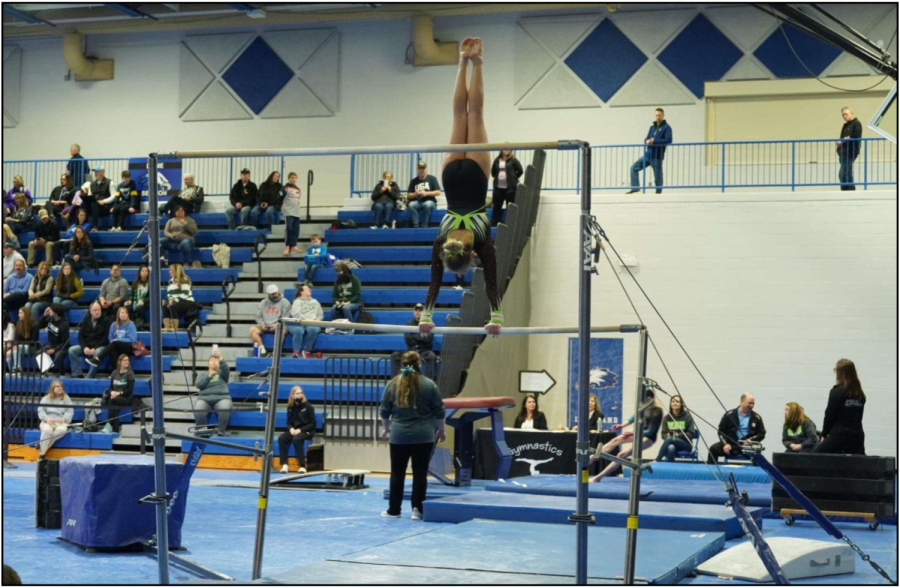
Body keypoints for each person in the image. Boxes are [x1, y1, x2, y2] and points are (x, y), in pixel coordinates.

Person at [419, 39, 502, 338]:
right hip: (451, 178)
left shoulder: (483, 243)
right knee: (459, 117)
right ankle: (461, 61)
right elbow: (434, 284)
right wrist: (425, 316)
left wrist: (497, 318)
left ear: (471, 255)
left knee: (474, 115)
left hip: (478, 176)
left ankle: (476, 61)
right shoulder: (440, 242)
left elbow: (492, 285)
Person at [380, 351, 446, 520]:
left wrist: (386, 429)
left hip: (399, 435)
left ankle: (394, 510)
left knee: (397, 473)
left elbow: (384, 411)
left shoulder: (393, 384)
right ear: (420, 363)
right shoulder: (429, 385)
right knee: (420, 473)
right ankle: (417, 509)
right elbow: (439, 411)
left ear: (402, 364)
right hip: (423, 435)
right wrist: (442, 431)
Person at [590, 389, 663, 482]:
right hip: (639, 433)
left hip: (648, 438)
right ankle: (592, 457)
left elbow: (650, 432)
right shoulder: (644, 406)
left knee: (621, 454)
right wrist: (622, 425)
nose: (641, 402)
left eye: (643, 400)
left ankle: (598, 477)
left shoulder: (657, 412)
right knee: (615, 440)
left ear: (649, 398)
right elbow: (634, 417)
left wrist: (633, 432)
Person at [815, 359, 866, 455]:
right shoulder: (860, 393)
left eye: (836, 370)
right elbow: (859, 417)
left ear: (840, 373)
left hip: (840, 434)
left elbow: (829, 415)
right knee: (857, 464)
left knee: (813, 457)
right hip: (857, 435)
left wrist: (824, 434)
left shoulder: (837, 391)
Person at [707, 393, 767, 464]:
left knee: (757, 454)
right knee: (713, 449)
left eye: (753, 403)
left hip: (747, 446)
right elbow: (721, 431)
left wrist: (751, 440)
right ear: (742, 402)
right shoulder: (729, 415)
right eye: (749, 403)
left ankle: (757, 474)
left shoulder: (757, 417)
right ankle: (712, 472)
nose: (752, 405)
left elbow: (762, 433)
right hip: (730, 444)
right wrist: (725, 444)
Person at [626, 108, 672, 195]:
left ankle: (658, 193)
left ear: (663, 116)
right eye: (656, 115)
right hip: (648, 154)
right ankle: (636, 189)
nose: (657, 117)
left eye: (659, 115)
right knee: (633, 168)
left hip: (657, 156)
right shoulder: (652, 127)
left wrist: (654, 141)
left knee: (658, 176)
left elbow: (669, 140)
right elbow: (646, 138)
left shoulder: (666, 127)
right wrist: (647, 141)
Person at [194, 348, 233, 437]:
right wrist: (209, 376)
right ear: (208, 364)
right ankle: (202, 431)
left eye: (216, 360)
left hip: (222, 398)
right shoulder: (203, 374)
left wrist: (220, 357)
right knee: (198, 409)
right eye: (212, 360)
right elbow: (198, 385)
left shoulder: (223, 374)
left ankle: (221, 431)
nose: (214, 362)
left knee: (224, 408)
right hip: (204, 399)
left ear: (219, 364)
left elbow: (226, 368)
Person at [390, 303, 436, 378]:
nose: (418, 312)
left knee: (431, 356)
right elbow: (408, 340)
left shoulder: (429, 324)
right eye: (416, 310)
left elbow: (428, 339)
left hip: (424, 351)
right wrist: (421, 336)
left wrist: (414, 335)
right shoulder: (408, 324)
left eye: (420, 310)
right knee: (395, 356)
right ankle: (396, 381)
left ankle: (429, 381)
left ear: (424, 312)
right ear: (413, 312)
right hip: (410, 351)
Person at [278, 386, 316, 473]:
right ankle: (284, 465)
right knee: (282, 438)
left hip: (307, 431)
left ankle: (302, 466)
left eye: (301, 393)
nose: (300, 395)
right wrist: (291, 428)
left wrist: (300, 430)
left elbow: (313, 424)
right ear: (292, 395)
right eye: (297, 393)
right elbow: (289, 422)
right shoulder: (290, 407)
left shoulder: (308, 406)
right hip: (295, 430)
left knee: (296, 439)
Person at [68, 301, 110, 379]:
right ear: (90, 311)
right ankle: (77, 374)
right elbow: (80, 336)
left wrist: (95, 348)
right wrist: (84, 347)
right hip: (87, 346)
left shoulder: (106, 321)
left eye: (99, 310)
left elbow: (106, 338)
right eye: (95, 310)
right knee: (72, 350)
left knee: (98, 352)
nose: (97, 312)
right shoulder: (85, 321)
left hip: (100, 346)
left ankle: (90, 377)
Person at [87, 306, 136, 370]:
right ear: (118, 315)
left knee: (114, 343)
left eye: (126, 313)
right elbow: (110, 338)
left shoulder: (131, 324)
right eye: (122, 313)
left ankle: (97, 359)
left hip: (128, 347)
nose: (124, 314)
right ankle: (117, 373)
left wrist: (118, 340)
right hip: (116, 346)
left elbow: (132, 340)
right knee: (113, 351)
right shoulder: (113, 325)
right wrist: (115, 342)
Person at [250, 284, 292, 357]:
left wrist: (277, 325)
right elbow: (258, 316)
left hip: (278, 325)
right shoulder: (263, 302)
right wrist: (262, 324)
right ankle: (262, 350)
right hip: (265, 325)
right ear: (268, 294)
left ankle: (275, 352)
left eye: (274, 293)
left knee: (282, 330)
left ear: (278, 291)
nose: (273, 295)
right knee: (252, 330)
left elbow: (286, 318)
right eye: (271, 294)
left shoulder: (285, 303)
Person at [37, 380, 73, 458]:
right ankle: (42, 454)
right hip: (48, 421)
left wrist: (64, 419)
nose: (60, 388)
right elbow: (41, 410)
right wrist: (46, 418)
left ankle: (41, 449)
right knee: (47, 430)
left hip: (61, 422)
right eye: (57, 386)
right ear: (52, 388)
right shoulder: (46, 398)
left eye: (61, 386)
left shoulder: (66, 398)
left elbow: (70, 410)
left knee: (62, 430)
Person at [101, 354, 135, 433]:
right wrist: (112, 392)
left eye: (127, 360)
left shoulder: (130, 374)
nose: (127, 362)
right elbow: (110, 388)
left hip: (127, 398)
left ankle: (108, 424)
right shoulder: (114, 373)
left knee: (112, 401)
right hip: (115, 398)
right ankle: (115, 429)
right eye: (124, 360)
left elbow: (130, 391)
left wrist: (118, 393)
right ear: (119, 362)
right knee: (115, 406)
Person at [656, 394, 697, 462]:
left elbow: (691, 434)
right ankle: (670, 469)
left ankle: (658, 460)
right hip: (671, 443)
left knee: (670, 439)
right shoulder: (667, 418)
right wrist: (667, 435)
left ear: (681, 404)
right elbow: (663, 435)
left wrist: (678, 435)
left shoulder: (687, 417)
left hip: (685, 444)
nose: (675, 403)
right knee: (670, 448)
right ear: (670, 404)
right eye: (673, 401)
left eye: (677, 401)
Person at [288, 284, 323, 359]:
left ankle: (307, 351)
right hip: (299, 322)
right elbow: (295, 314)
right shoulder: (297, 301)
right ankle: (296, 352)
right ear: (301, 292)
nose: (309, 289)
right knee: (298, 330)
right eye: (307, 289)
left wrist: (318, 319)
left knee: (313, 329)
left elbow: (320, 314)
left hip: (312, 322)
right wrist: (305, 319)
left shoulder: (315, 302)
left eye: (309, 288)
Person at [490, 150, 524, 227]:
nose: (507, 150)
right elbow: (493, 172)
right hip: (498, 187)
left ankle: (510, 222)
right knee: (497, 205)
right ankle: (495, 222)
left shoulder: (513, 160)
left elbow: (520, 170)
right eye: (505, 149)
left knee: (510, 205)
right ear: (501, 150)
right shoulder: (497, 160)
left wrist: (514, 178)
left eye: (509, 149)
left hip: (510, 188)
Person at [163, 264, 201, 331]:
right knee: (165, 306)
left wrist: (174, 301)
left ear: (175, 271)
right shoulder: (170, 281)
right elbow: (169, 293)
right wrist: (170, 300)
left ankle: (174, 327)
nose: (169, 272)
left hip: (187, 301)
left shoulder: (185, 280)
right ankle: (167, 326)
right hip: (176, 301)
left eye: (171, 270)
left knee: (172, 307)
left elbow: (185, 294)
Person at [406, 161, 441, 228]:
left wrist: (426, 193)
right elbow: (408, 195)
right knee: (411, 205)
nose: (422, 170)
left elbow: (438, 192)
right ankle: (416, 225)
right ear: (417, 169)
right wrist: (415, 194)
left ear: (426, 169)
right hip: (417, 202)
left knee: (427, 204)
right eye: (420, 168)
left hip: (430, 201)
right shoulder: (413, 181)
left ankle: (424, 225)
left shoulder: (432, 179)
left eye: (423, 168)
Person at [38, 303, 71, 374]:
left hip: (62, 347)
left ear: (56, 312)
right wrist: (44, 315)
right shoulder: (51, 319)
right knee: (39, 352)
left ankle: (62, 374)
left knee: (58, 355)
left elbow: (65, 342)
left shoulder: (64, 324)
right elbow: (39, 325)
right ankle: (45, 373)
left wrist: (54, 350)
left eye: (51, 309)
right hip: (52, 345)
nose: (49, 310)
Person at [837, 107, 863, 191]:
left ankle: (849, 191)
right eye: (843, 115)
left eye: (846, 114)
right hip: (843, 151)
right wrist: (839, 146)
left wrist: (846, 139)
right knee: (845, 172)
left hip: (851, 151)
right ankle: (847, 190)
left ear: (852, 113)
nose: (844, 116)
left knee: (844, 173)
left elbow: (857, 135)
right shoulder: (845, 125)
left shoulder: (857, 123)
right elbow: (841, 138)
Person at [9, 307, 38, 372]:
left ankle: (18, 367)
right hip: (21, 346)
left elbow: (33, 341)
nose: (18, 315)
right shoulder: (19, 323)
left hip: (32, 347)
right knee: (8, 353)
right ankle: (12, 372)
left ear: (26, 314)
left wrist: (20, 343)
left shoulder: (34, 325)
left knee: (16, 347)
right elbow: (16, 338)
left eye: (21, 313)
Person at [281, 172, 303, 256]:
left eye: (295, 178)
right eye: (292, 178)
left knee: (296, 229)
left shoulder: (298, 189)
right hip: (288, 211)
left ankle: (293, 245)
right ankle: (287, 246)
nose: (293, 179)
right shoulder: (285, 188)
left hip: (296, 212)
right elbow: (280, 197)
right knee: (289, 229)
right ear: (289, 179)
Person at [125, 265, 151, 329]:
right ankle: (129, 324)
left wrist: (143, 301)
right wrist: (130, 300)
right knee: (126, 307)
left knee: (139, 307)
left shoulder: (151, 283)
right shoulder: (135, 283)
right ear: (140, 272)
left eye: (146, 271)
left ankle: (145, 323)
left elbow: (152, 297)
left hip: (147, 303)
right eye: (142, 271)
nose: (144, 273)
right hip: (136, 301)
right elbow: (132, 294)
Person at [86, 166, 112, 230]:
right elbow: (89, 196)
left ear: (102, 172)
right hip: (94, 206)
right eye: (95, 171)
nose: (95, 173)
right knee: (83, 205)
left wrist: (104, 201)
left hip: (104, 207)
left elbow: (114, 196)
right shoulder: (92, 184)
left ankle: (95, 226)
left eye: (97, 171)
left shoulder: (110, 182)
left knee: (94, 204)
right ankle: (81, 225)